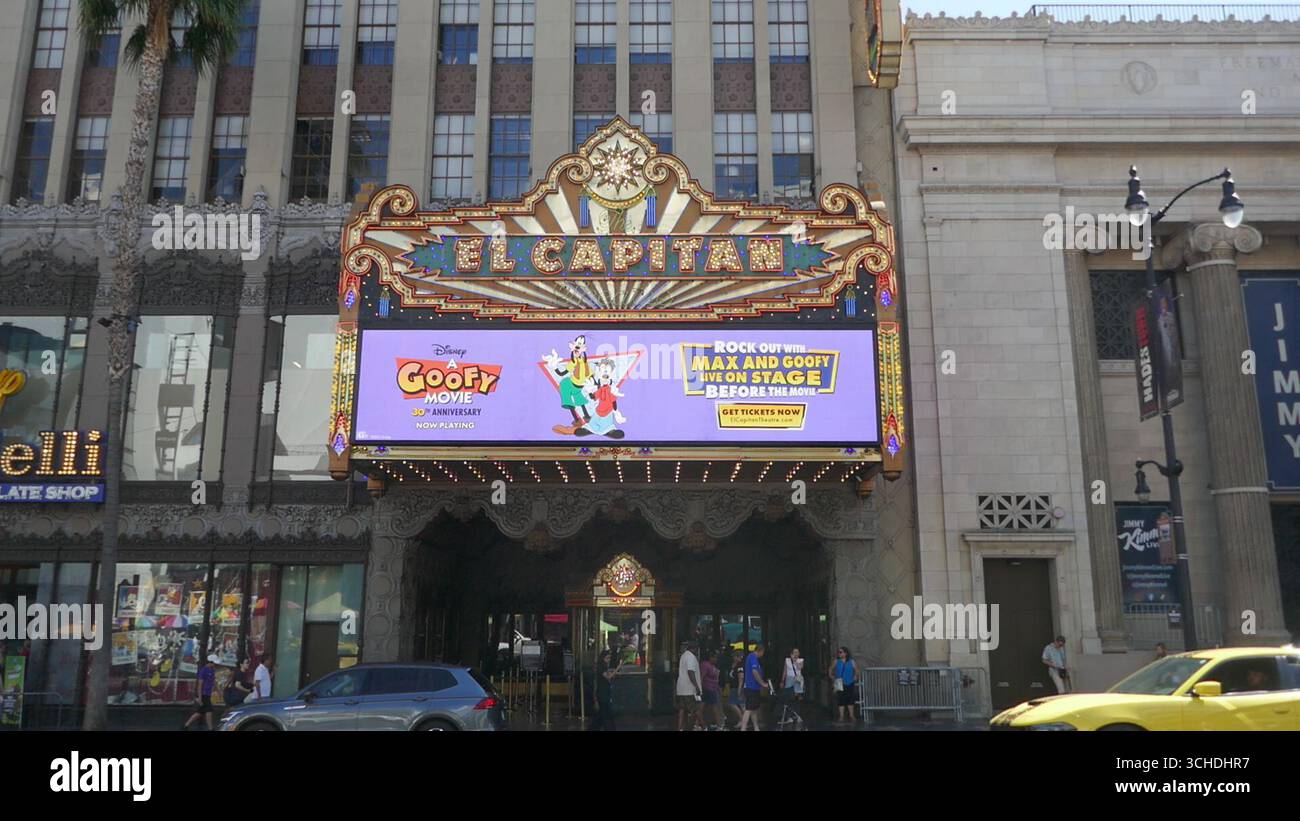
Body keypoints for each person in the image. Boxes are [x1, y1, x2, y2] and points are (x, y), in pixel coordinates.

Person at [182, 655, 220, 730]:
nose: (215, 664)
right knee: (209, 711)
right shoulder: (203, 670)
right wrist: (200, 697)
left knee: (200, 712)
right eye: (214, 663)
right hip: (204, 694)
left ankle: (185, 726)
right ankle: (211, 728)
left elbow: (214, 681)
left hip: (208, 693)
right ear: (210, 662)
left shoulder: (212, 670)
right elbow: (200, 684)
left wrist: (217, 690)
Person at [739, 644, 769, 731]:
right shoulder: (753, 657)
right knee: (749, 709)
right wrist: (762, 683)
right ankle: (743, 728)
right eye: (763, 652)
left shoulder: (754, 659)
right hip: (751, 687)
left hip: (754, 688)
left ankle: (756, 727)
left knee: (754, 709)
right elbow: (755, 672)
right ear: (760, 651)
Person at [676, 641, 704, 731]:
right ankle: (704, 727)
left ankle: (680, 728)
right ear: (694, 648)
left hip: (681, 689)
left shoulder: (683, 656)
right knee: (696, 709)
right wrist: (696, 687)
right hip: (690, 689)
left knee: (682, 709)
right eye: (697, 649)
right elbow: (690, 672)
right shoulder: (691, 657)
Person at [589, 649, 620, 731]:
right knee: (606, 713)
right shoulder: (601, 666)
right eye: (607, 658)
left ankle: (593, 728)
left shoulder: (604, 666)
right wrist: (618, 668)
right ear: (602, 658)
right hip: (602, 694)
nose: (608, 660)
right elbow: (608, 677)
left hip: (605, 692)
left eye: (609, 658)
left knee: (602, 714)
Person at [829, 646, 858, 722]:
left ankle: (851, 715)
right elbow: (831, 668)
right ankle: (841, 716)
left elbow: (856, 670)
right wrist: (831, 676)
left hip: (850, 682)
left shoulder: (851, 661)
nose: (839, 654)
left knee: (850, 699)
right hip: (839, 682)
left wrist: (855, 675)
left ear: (846, 653)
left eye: (841, 652)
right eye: (838, 652)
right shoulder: (836, 661)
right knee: (841, 699)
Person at [779, 647, 805, 725]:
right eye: (794, 652)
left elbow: (799, 668)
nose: (796, 654)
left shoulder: (801, 660)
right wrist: (782, 681)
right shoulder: (787, 660)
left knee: (797, 697)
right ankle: (789, 716)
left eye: (797, 652)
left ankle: (797, 715)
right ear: (791, 654)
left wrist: (795, 661)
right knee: (788, 697)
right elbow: (785, 670)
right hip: (789, 679)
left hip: (797, 679)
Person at [700, 649, 723, 730]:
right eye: (715, 658)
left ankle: (699, 724)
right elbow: (702, 677)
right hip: (708, 688)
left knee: (704, 707)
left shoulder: (712, 665)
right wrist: (700, 688)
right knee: (714, 706)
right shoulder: (705, 665)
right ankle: (719, 725)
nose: (716, 660)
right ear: (710, 657)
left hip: (712, 688)